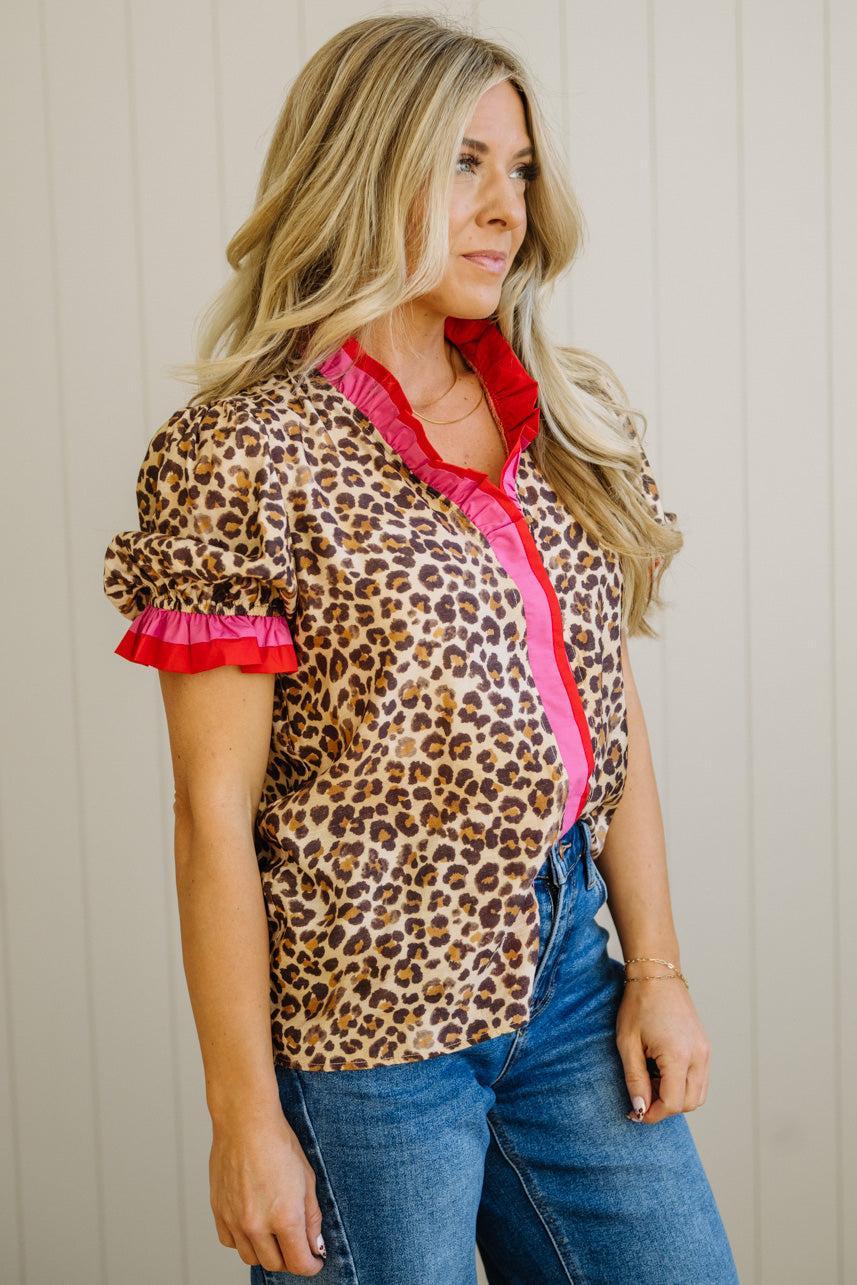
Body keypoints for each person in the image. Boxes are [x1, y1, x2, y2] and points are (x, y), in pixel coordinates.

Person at [102, 13, 739, 1284]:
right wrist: (244, 1118)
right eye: (461, 162)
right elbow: (208, 816)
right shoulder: (243, 454)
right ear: (360, 162)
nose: (502, 206)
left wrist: (653, 967)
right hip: (365, 1029)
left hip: (562, 975)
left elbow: (607, 720)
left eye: (517, 170)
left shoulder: (559, 419)